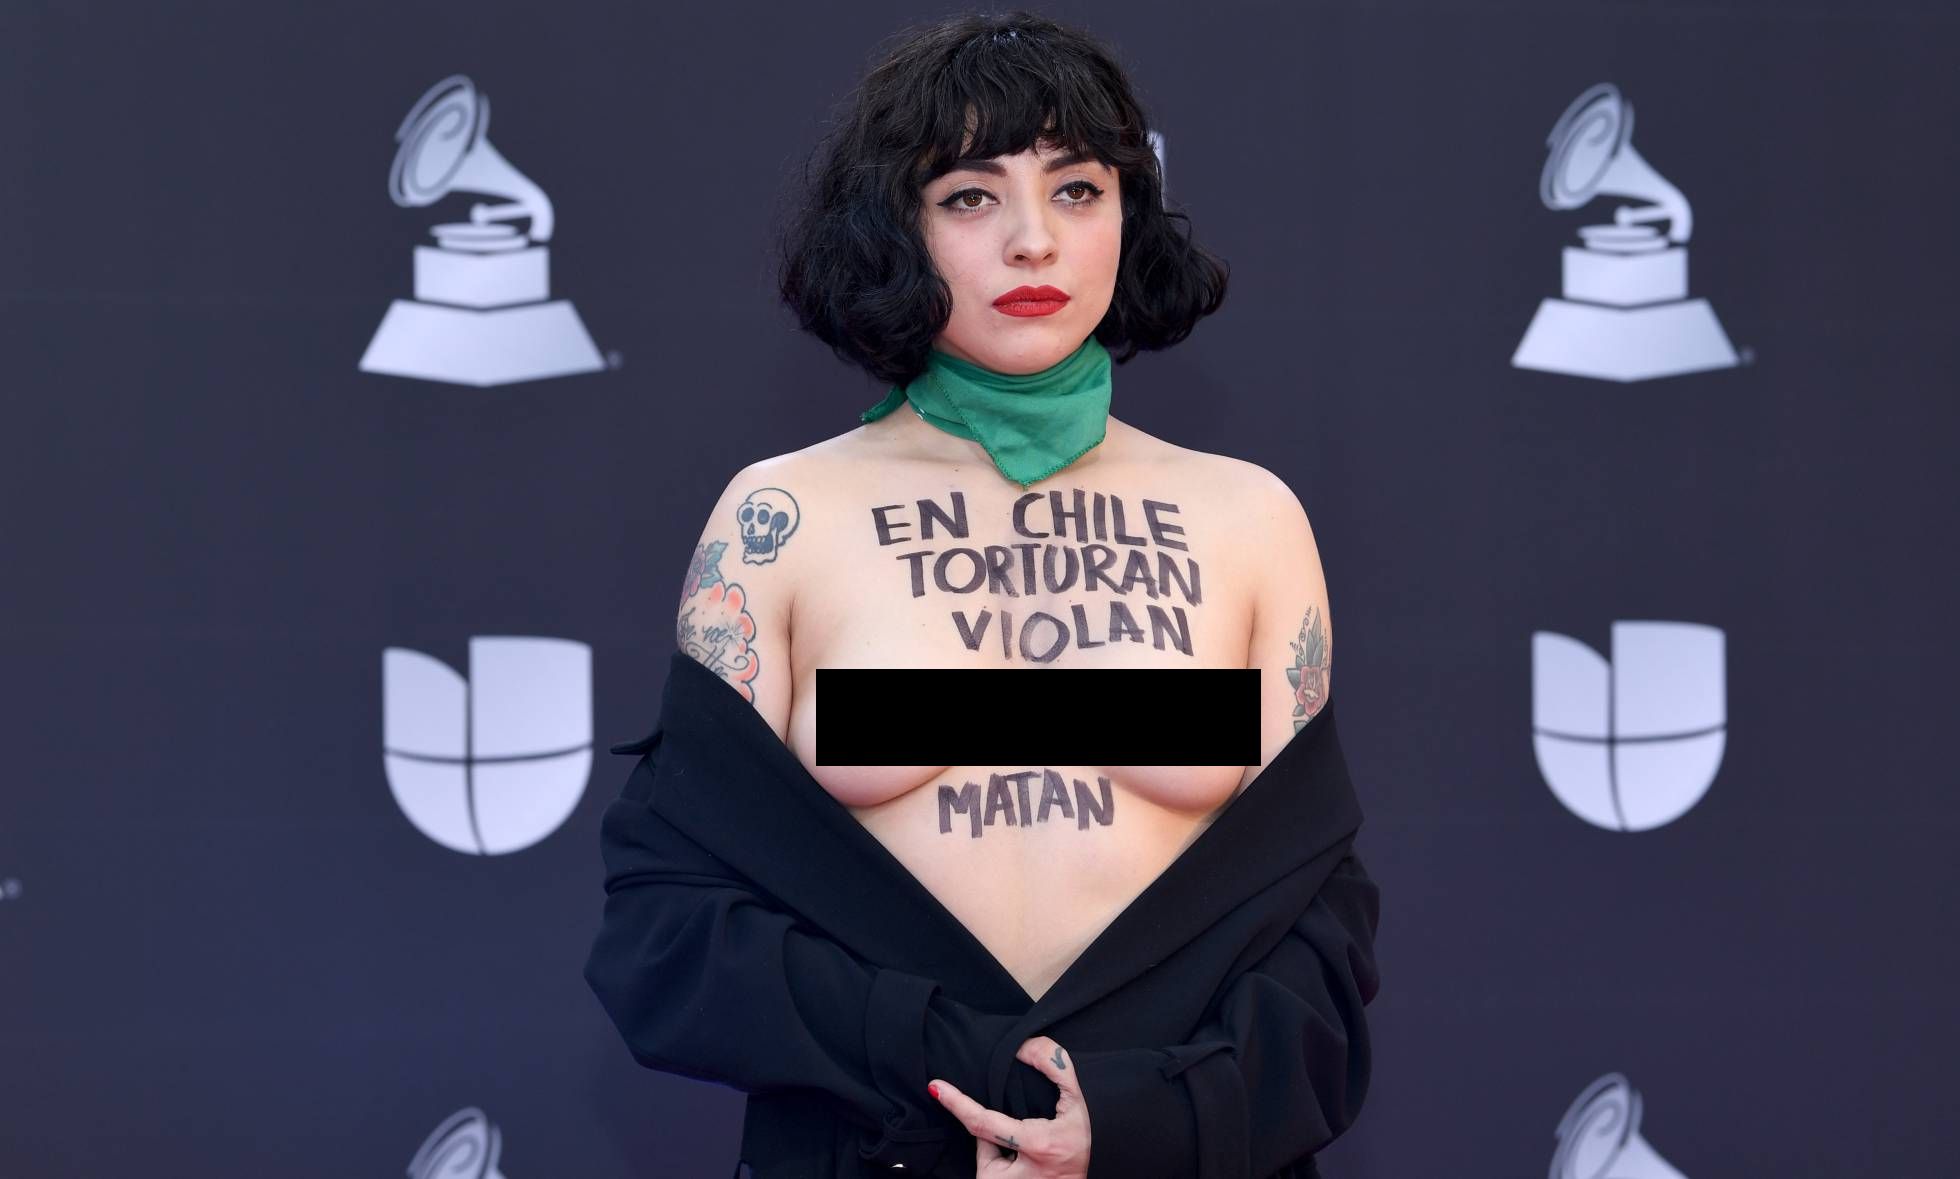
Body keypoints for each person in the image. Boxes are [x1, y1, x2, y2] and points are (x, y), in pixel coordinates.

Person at [585, 12, 1379, 1177]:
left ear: (1128, 213)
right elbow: (673, 924)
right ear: (894, 226)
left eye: (1076, 190)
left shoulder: (1249, 517)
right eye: (969, 195)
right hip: (877, 1146)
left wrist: (1134, 1118)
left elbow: (1313, 927)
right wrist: (958, 1075)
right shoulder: (781, 517)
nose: (1031, 242)